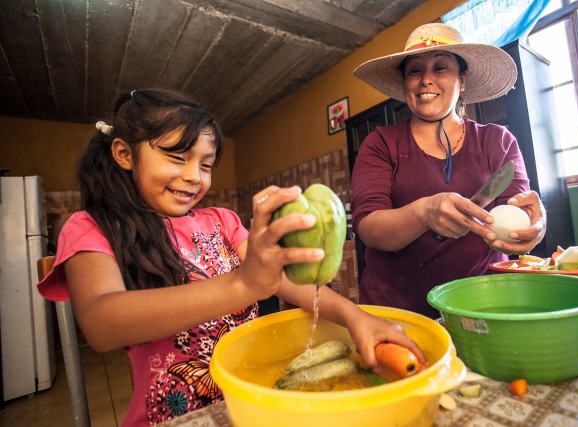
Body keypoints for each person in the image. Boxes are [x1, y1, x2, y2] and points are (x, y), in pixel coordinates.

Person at [37, 89, 423, 425]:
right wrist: (243, 283)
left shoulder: (221, 221)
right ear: (123, 153)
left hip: (249, 404)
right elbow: (103, 324)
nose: (195, 176)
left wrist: (356, 316)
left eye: (205, 165)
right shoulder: (91, 227)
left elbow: (281, 280)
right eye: (177, 157)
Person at [350, 23, 547, 319]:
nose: (426, 79)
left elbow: (516, 211)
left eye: (440, 68)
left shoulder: (497, 141)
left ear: (462, 80)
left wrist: (534, 224)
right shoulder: (380, 143)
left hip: (484, 306)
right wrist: (424, 212)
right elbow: (369, 228)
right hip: (397, 313)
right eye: (415, 71)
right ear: (405, 82)